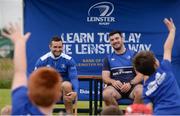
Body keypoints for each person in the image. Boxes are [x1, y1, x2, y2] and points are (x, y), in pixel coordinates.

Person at [1, 23, 62, 115]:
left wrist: (19, 42)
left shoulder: (19, 106)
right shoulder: (19, 103)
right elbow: (20, 72)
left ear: (29, 92)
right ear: (58, 96)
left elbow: (20, 72)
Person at [133, 18, 180, 115]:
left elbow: (148, 111)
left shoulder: (146, 91)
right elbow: (167, 48)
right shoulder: (165, 68)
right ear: (155, 64)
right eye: (155, 58)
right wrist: (172, 30)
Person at [34, 36, 79, 114]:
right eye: (55, 47)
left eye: (60, 47)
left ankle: (69, 114)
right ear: (50, 47)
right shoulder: (42, 61)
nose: (57, 49)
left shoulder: (69, 60)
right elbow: (35, 79)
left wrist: (75, 92)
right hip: (47, 89)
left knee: (67, 85)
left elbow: (74, 78)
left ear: (63, 47)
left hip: (63, 90)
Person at [102, 31, 143, 107]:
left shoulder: (134, 55)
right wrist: (112, 81)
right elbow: (105, 77)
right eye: (112, 40)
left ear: (122, 39)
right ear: (110, 43)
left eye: (117, 38)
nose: (115, 41)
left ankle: (133, 113)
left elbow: (140, 75)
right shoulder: (108, 58)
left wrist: (130, 83)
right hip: (116, 89)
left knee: (141, 91)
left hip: (133, 87)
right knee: (106, 94)